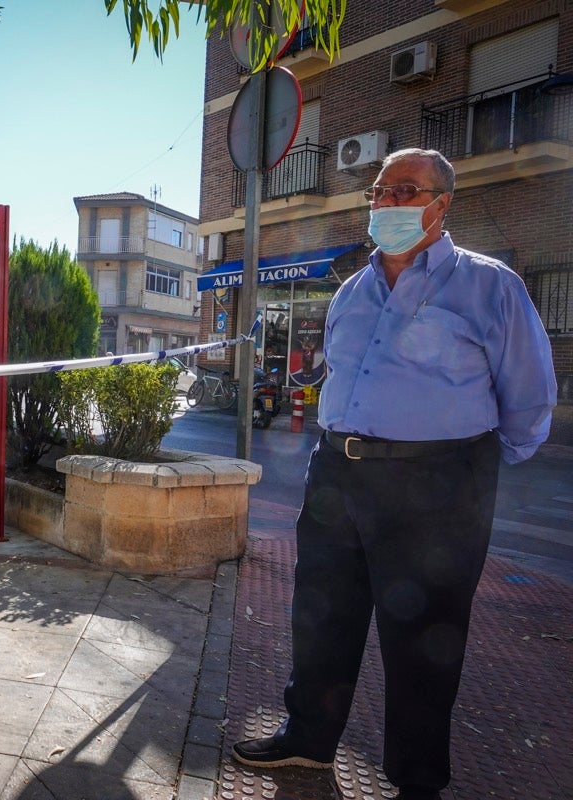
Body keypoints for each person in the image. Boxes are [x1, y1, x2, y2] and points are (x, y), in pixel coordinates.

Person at [231, 148, 557, 800]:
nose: (385, 203)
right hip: (338, 476)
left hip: (437, 487)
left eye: (405, 190)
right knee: (320, 617)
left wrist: (468, 471)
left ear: (442, 205)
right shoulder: (352, 290)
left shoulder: (490, 286)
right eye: (378, 191)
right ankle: (308, 741)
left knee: (425, 642)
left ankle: (416, 781)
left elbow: (528, 398)